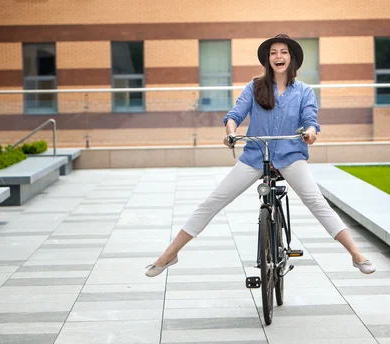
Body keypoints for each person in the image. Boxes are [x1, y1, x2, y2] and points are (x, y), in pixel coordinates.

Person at [145, 34, 375, 277]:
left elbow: (310, 121)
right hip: (255, 155)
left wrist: (310, 132)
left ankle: (356, 253)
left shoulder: (304, 92)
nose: (279, 56)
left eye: (284, 52)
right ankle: (170, 254)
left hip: (290, 155)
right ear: (268, 59)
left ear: (292, 58)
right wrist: (231, 133)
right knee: (214, 200)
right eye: (274, 52)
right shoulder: (255, 87)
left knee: (317, 202)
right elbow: (234, 115)